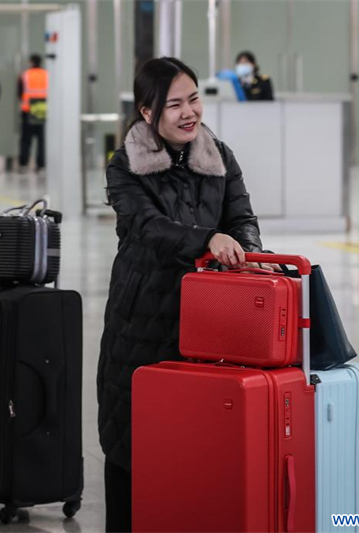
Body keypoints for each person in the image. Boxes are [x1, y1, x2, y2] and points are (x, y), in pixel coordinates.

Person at [97, 57, 273, 532]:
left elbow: (241, 216)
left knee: (198, 437)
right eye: (173, 104)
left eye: (193, 98)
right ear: (147, 112)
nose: (188, 112)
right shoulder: (125, 164)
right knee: (132, 435)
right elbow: (145, 226)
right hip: (143, 316)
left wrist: (248, 253)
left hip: (212, 317)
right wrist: (204, 241)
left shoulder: (219, 155)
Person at [17, 54, 48, 172]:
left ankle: (23, 163)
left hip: (27, 110)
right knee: (41, 140)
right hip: (42, 111)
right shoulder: (46, 75)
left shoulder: (25, 75)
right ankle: (40, 164)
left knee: (26, 139)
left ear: (31, 62)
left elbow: (19, 92)